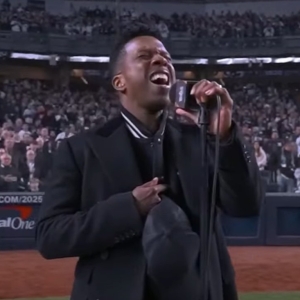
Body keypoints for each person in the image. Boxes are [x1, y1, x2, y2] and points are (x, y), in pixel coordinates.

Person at [35, 24, 263, 300]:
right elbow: (49, 236)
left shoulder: (203, 139)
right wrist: (128, 208)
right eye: (144, 56)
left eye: (165, 57)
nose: (160, 60)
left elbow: (246, 204)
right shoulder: (80, 148)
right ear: (120, 82)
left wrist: (224, 136)